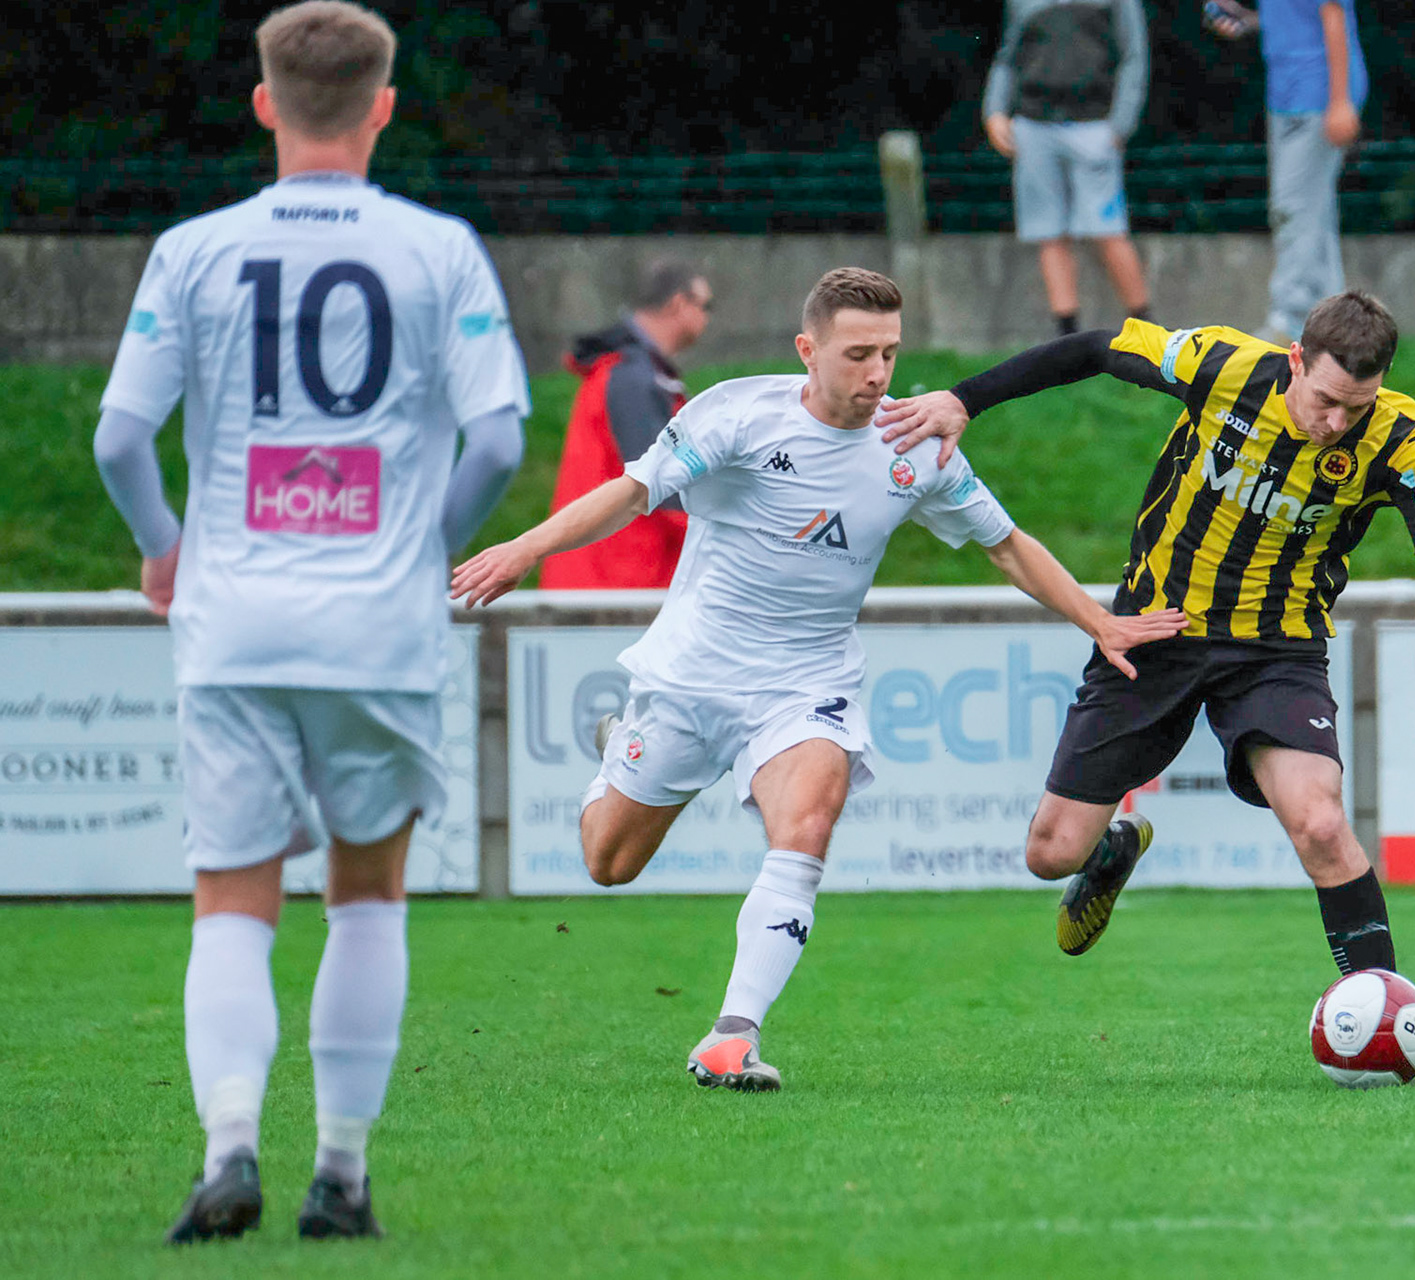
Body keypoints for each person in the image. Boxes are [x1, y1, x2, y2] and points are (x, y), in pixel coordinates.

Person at [451, 268, 1183, 1092]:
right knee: (608, 863)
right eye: (859, 354)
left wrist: (1099, 620)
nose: (879, 375)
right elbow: (629, 495)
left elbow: (1006, 543)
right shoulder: (737, 414)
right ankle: (623, 744)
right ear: (809, 351)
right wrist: (523, 550)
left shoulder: (917, 443)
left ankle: (733, 1035)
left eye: (891, 354)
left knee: (807, 822)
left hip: (806, 685)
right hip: (692, 677)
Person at [92, 0, 528, 1243]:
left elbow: (122, 435)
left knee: (231, 894)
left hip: (232, 618)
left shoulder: (193, 249)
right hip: (375, 626)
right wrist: (421, 549)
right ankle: (338, 1172)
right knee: (366, 891)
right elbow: (498, 434)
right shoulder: (439, 248)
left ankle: (228, 1145)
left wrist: (168, 549)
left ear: (266, 103)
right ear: (385, 105)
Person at [878, 292, 1415, 1001]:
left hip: (1275, 651)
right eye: (1326, 401)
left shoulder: (1405, 437)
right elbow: (1094, 348)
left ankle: (1385, 1015)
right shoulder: (1221, 363)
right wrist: (963, 400)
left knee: (1320, 824)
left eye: (1357, 406)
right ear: (1295, 362)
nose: (1337, 423)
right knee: (1050, 854)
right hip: (1153, 630)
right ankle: (1109, 848)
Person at [982, 0, 1153, 336]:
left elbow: (1134, 56)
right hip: (1033, 124)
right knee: (1048, 233)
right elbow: (1008, 57)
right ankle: (1067, 338)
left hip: (1095, 125)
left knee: (1108, 230)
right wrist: (995, 110)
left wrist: (1121, 124)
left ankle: (1149, 330)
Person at [542, 261, 713, 588]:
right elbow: (664, 488)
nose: (708, 316)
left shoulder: (625, 371)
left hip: (603, 580)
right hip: (616, 586)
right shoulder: (632, 378)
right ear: (679, 303)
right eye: (706, 306)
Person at [1205, 0, 1367, 343]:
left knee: (1293, 210)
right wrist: (1246, 19)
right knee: (1314, 213)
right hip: (1289, 96)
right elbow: (1295, 18)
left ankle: (1289, 322)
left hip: (1315, 96)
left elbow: (1333, 15)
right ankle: (1335, 326)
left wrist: (1340, 102)